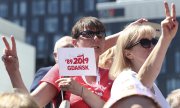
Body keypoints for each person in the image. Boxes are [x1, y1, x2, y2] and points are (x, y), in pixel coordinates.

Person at [1, 17, 148, 108]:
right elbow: (32, 104)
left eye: (100, 34)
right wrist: (13, 71)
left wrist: (82, 92)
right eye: (88, 34)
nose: (96, 38)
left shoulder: (113, 75)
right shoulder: (63, 68)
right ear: (74, 43)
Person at [105, 1, 178, 108]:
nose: (152, 47)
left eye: (153, 41)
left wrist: (165, 38)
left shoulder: (153, 84)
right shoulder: (126, 77)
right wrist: (165, 39)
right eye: (145, 43)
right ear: (128, 53)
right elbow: (141, 83)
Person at [30, 36, 73, 108]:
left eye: (73, 47)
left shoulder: (87, 75)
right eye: (65, 48)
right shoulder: (46, 72)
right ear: (56, 56)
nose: (69, 51)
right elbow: (33, 101)